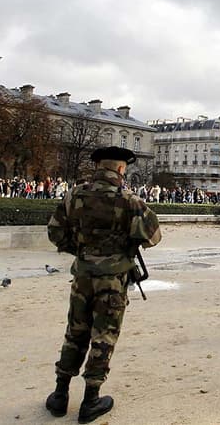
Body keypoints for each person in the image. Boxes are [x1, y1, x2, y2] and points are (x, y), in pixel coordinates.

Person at [45, 146, 162, 423]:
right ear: (121, 169)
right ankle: (91, 399)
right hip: (113, 278)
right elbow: (153, 236)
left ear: (97, 167)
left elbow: (55, 232)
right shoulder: (129, 200)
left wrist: (81, 250)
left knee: (75, 331)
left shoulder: (75, 194)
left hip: (83, 274)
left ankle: (60, 394)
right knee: (104, 336)